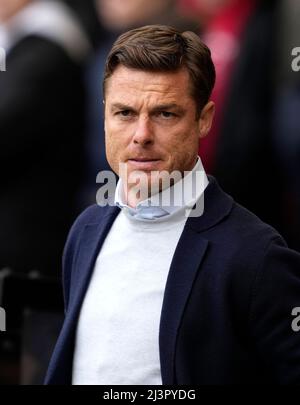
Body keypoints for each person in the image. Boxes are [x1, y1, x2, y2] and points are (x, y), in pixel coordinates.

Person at [45, 25, 300, 385]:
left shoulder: (256, 256)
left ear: (204, 119)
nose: (142, 135)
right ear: (104, 116)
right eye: (125, 113)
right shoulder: (86, 230)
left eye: (165, 114)